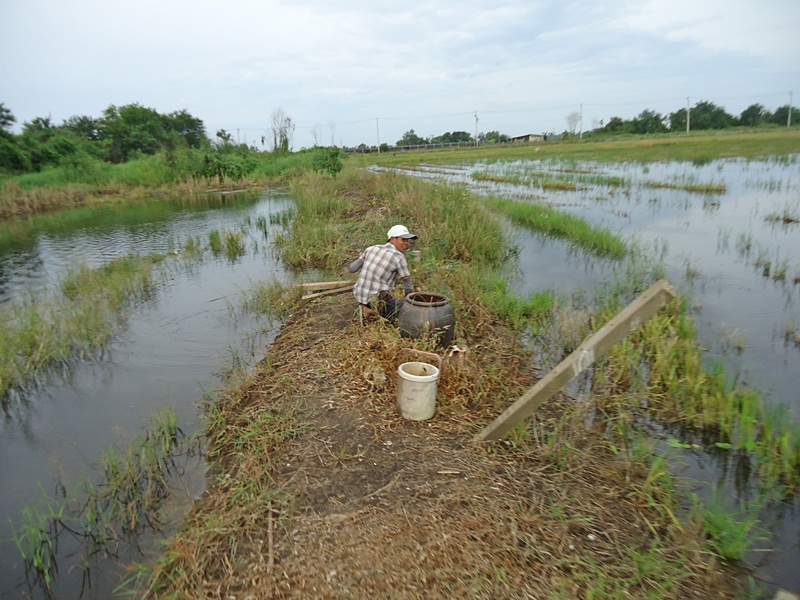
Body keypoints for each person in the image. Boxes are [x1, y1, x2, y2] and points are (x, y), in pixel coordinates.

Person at [349, 224, 418, 324]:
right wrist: (410, 305)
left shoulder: (371, 249)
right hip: (376, 298)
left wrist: (362, 258)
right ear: (392, 239)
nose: (406, 243)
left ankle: (366, 307)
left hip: (358, 294)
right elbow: (408, 284)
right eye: (403, 240)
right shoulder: (399, 257)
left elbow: (352, 268)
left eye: (407, 240)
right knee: (406, 313)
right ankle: (370, 311)